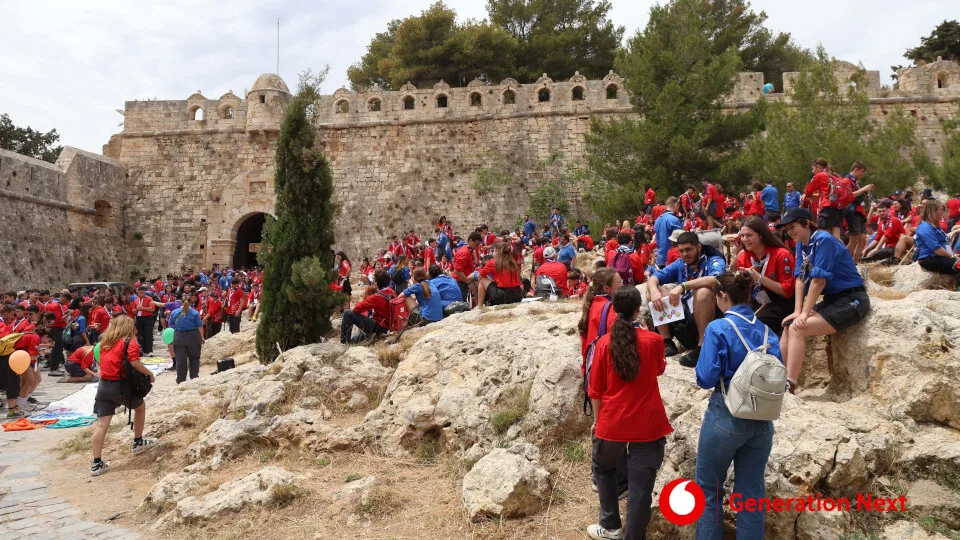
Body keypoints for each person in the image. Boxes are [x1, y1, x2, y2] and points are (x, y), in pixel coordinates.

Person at [694, 271, 782, 539]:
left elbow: (706, 378)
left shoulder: (718, 328)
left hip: (726, 414)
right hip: (762, 420)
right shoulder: (769, 333)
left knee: (709, 492)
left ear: (721, 296)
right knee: (751, 495)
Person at [586, 286, 671, 540]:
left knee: (604, 469)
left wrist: (597, 421)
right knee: (641, 485)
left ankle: (611, 525)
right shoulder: (654, 341)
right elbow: (658, 370)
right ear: (638, 309)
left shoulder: (603, 344)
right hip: (648, 423)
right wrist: (645, 333)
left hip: (612, 421)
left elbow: (595, 390)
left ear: (614, 310)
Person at [777, 208, 869, 394]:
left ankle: (789, 384)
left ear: (806, 223)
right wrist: (798, 310)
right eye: (787, 229)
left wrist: (804, 313)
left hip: (852, 299)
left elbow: (819, 280)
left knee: (797, 328)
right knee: (788, 324)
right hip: (834, 298)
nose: (790, 232)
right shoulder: (801, 244)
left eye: (793, 226)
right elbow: (800, 278)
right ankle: (779, 377)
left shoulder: (823, 240)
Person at [647, 232, 726, 366]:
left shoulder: (714, 260)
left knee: (703, 292)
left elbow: (716, 279)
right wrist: (654, 291)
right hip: (687, 317)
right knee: (654, 290)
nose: (685, 254)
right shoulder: (680, 264)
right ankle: (667, 341)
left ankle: (702, 347)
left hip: (709, 317)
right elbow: (654, 278)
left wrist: (684, 286)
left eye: (688, 249)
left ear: (699, 247)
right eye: (681, 251)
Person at [91, 315, 157, 476]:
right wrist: (149, 373)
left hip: (103, 385)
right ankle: (138, 441)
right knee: (140, 408)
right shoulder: (129, 342)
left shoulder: (105, 342)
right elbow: (134, 362)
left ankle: (96, 463)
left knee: (101, 424)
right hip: (119, 386)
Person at [734, 217, 796, 336]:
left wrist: (759, 278)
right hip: (756, 298)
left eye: (749, 235)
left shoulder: (782, 255)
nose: (744, 239)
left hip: (781, 301)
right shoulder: (743, 257)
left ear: (761, 235)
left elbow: (786, 291)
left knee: (755, 324)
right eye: (742, 235)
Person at [340, 270, 396, 343]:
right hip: (388, 326)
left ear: (376, 282)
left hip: (378, 328)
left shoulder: (376, 297)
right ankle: (350, 341)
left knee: (348, 313)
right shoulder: (391, 291)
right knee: (355, 339)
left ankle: (344, 342)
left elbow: (357, 308)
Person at [915, 199, 960, 278]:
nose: (943, 212)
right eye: (941, 210)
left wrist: (952, 254)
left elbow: (944, 243)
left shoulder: (935, 226)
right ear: (933, 211)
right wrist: (952, 256)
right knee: (958, 265)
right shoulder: (926, 227)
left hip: (939, 256)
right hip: (929, 258)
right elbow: (936, 249)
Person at [842, 162, 875, 263]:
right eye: (861, 172)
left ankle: (854, 264)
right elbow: (849, 196)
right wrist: (863, 189)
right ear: (856, 169)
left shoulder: (855, 182)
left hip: (859, 212)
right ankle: (844, 263)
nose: (862, 174)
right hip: (853, 213)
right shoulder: (846, 181)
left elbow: (858, 197)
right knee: (854, 239)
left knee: (862, 239)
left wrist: (864, 191)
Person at [168, 294, 205, 384]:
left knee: (180, 360)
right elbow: (199, 326)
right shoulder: (195, 313)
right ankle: (194, 378)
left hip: (179, 337)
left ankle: (181, 380)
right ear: (191, 302)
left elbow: (170, 325)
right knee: (194, 358)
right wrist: (202, 337)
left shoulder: (174, 312)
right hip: (193, 337)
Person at [653, 197, 683, 268]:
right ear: (676, 205)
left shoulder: (657, 219)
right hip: (672, 259)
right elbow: (681, 239)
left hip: (660, 258)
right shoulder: (674, 220)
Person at [452, 231, 482, 302]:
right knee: (461, 302)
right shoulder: (464, 252)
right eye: (477, 243)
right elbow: (458, 271)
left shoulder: (468, 250)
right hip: (460, 282)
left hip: (463, 280)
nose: (477, 246)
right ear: (471, 241)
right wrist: (468, 282)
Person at [131, 286, 156, 356]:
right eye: (139, 293)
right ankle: (142, 349)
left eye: (141, 293)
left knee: (148, 334)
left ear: (144, 292)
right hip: (139, 318)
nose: (140, 295)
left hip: (147, 318)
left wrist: (142, 308)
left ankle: (149, 350)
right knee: (140, 334)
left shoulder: (149, 299)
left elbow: (152, 309)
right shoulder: (136, 300)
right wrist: (137, 309)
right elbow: (133, 311)